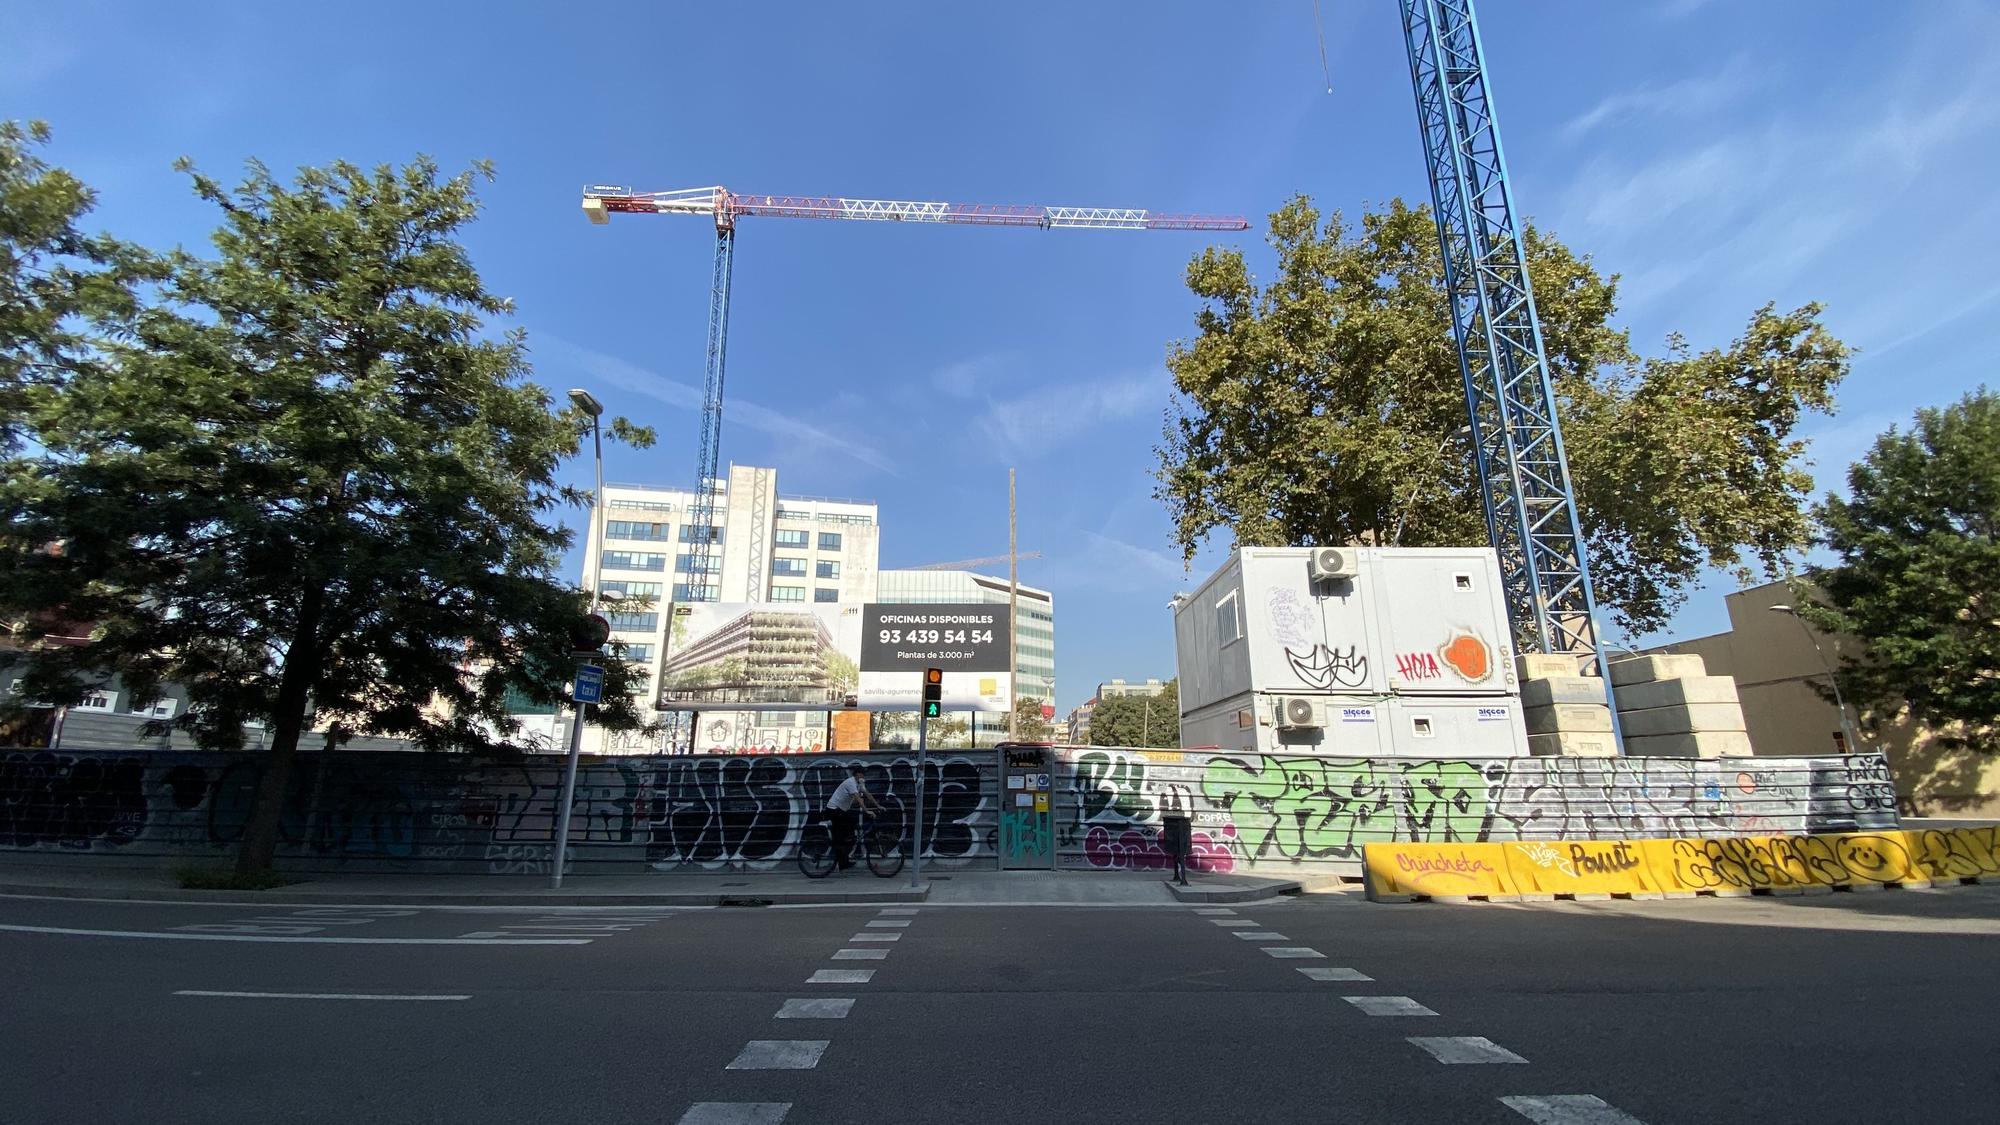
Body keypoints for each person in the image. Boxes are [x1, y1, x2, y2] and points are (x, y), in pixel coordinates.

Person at [825, 763, 883, 871]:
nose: (863, 777)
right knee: (847, 834)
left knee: (850, 832)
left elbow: (867, 795)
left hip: (841, 811)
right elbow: (858, 797)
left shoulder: (859, 783)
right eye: (862, 774)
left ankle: (843, 860)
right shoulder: (851, 782)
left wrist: (878, 806)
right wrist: (866, 810)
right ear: (857, 774)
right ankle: (842, 858)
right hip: (833, 810)